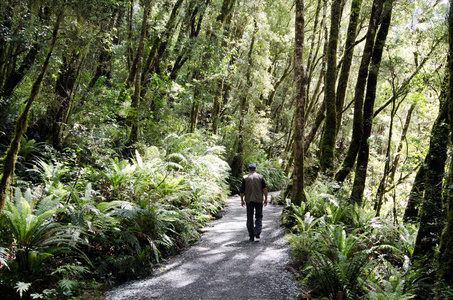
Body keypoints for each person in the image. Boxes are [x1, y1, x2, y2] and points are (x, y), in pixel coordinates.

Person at [240, 163, 268, 241]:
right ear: (256, 170)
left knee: (249, 217)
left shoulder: (245, 178)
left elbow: (242, 191)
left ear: (249, 170)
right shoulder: (260, 177)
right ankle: (257, 231)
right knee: (259, 216)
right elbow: (264, 189)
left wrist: (242, 200)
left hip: (249, 200)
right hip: (259, 200)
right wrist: (266, 198)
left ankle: (251, 236)